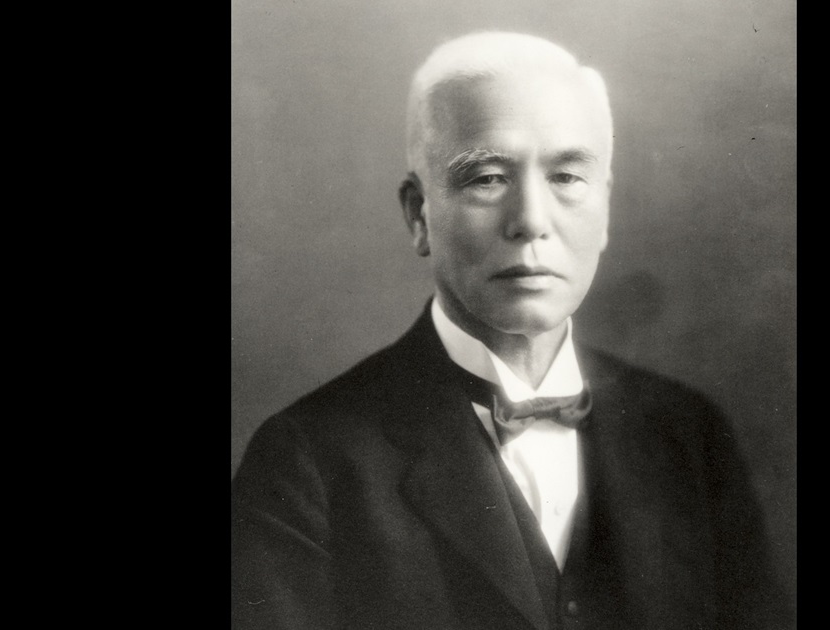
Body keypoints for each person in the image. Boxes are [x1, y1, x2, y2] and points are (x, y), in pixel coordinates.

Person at [232, 31, 790, 630]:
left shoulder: (690, 434)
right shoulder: (306, 463)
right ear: (419, 215)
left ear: (604, 208)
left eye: (566, 177)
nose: (530, 221)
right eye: (487, 177)